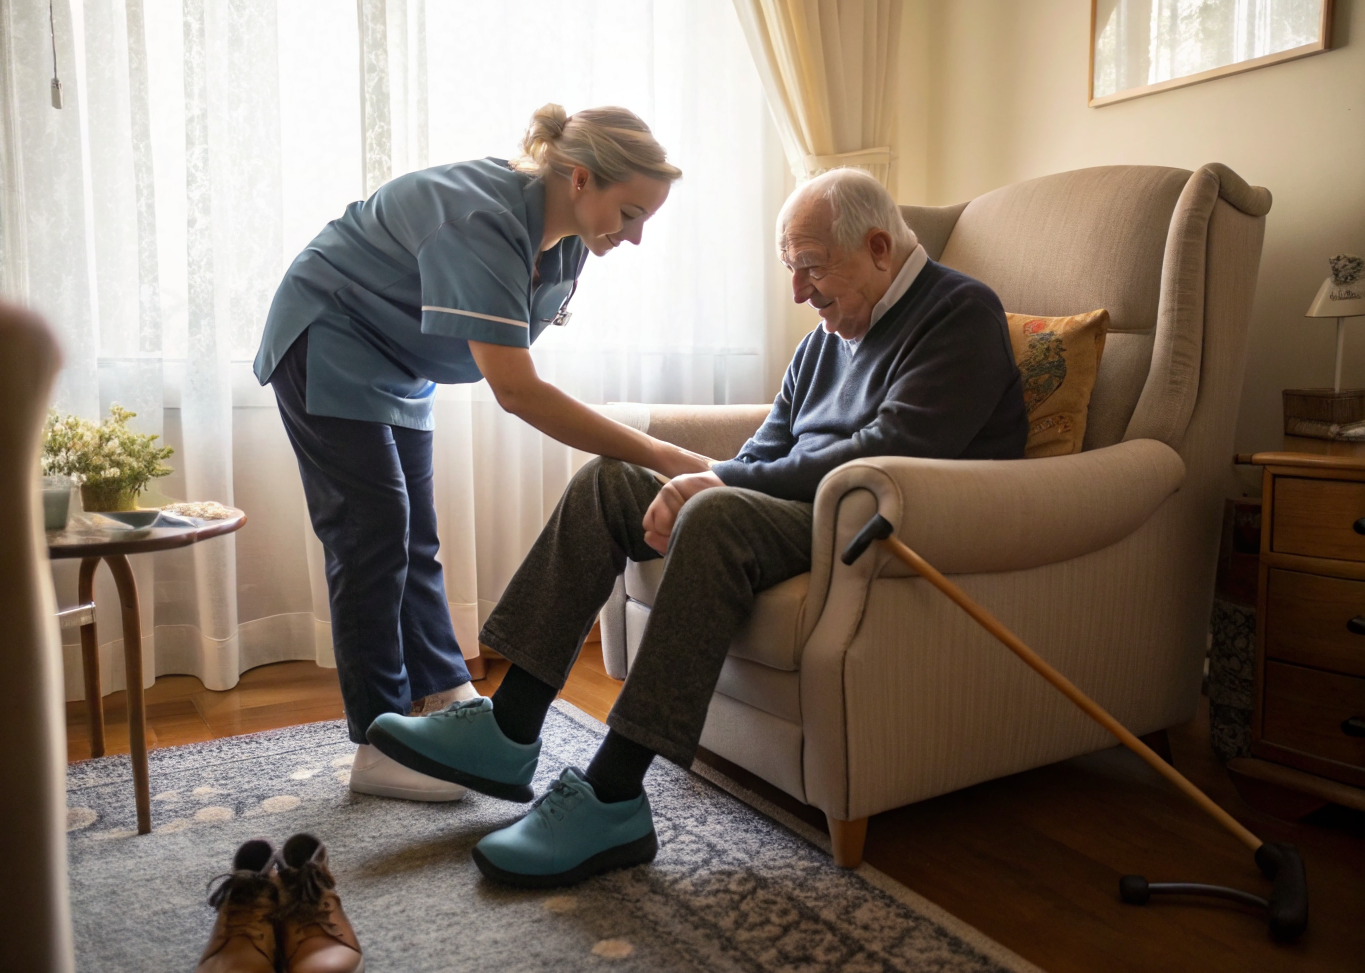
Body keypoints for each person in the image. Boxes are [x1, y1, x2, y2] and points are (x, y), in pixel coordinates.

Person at [367, 168, 1030, 886]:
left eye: (810, 268)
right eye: (791, 270)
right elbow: (769, 445)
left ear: (877, 247)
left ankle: (613, 797)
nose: (799, 293)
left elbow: (892, 448)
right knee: (609, 480)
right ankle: (510, 725)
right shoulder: (826, 337)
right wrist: (703, 480)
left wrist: (717, 484)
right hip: (802, 511)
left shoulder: (959, 312)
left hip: (884, 525)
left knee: (714, 511)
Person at [254, 105, 709, 803]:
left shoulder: (565, 243)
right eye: (630, 212)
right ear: (580, 178)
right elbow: (518, 391)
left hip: (399, 360)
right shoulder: (482, 219)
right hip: (329, 336)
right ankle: (376, 745)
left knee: (414, 536)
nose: (636, 235)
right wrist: (663, 455)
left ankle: (445, 696)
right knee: (372, 535)